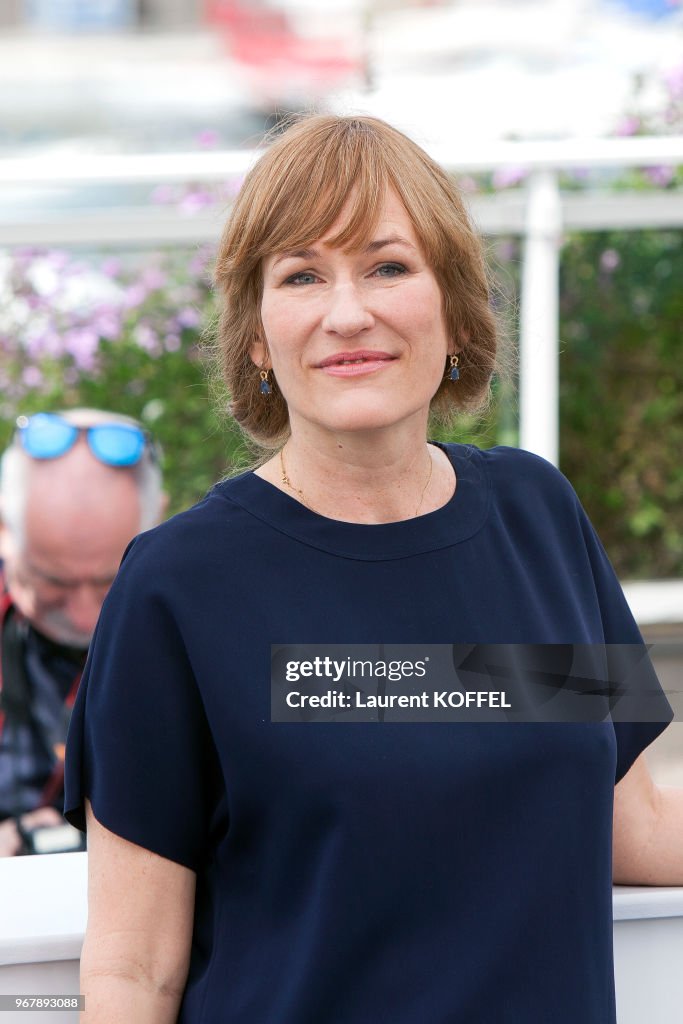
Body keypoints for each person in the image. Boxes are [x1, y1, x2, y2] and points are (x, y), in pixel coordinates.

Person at [64, 116, 682, 1023]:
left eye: (387, 266)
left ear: (453, 308)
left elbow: (633, 826)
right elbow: (132, 968)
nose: (347, 312)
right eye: (302, 275)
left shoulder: (534, 518)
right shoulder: (179, 587)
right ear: (257, 338)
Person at [0, 408, 164, 857]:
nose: (85, 618)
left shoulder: (218, 629)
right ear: (3, 530)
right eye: (53, 581)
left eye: (110, 580)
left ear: (162, 527)